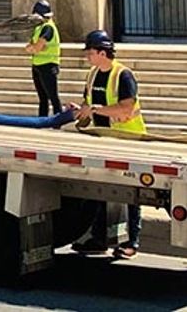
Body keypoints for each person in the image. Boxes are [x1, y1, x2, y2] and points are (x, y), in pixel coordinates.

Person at [74, 30, 146, 259]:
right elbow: (88, 106)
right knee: (99, 189)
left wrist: (95, 109)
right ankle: (98, 238)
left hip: (128, 140)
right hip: (103, 140)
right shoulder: (93, 74)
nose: (87, 56)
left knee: (133, 194)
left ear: (102, 53)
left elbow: (126, 110)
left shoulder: (123, 75)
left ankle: (132, 242)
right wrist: (79, 112)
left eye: (90, 52)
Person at [24, 0, 63, 116]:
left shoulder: (48, 28)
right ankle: (42, 119)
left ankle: (58, 121)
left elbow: (36, 47)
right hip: (37, 65)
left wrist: (34, 48)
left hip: (48, 65)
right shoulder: (39, 28)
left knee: (53, 96)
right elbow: (30, 46)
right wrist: (34, 47)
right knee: (42, 97)